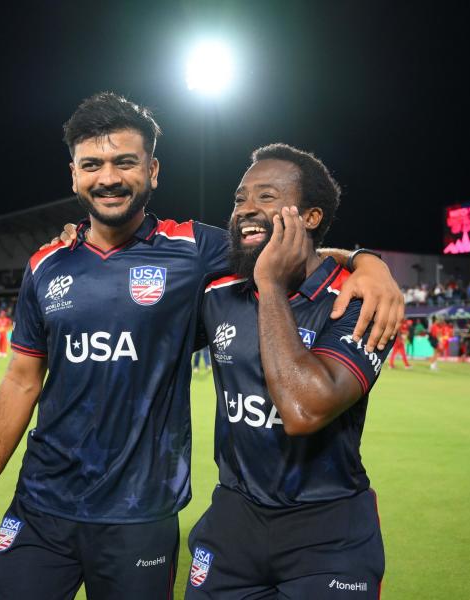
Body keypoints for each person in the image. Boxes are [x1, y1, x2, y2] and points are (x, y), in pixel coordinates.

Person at [0, 93, 404, 600]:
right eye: (92, 165)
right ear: (74, 174)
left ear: (152, 170)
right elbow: (21, 379)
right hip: (40, 502)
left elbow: (281, 249)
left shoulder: (196, 249)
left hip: (141, 512)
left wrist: (368, 262)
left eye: (125, 162)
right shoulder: (46, 263)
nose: (108, 177)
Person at [186, 144, 388, 598]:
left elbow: (304, 409)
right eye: (240, 199)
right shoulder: (218, 293)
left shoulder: (358, 302)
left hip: (328, 529)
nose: (246, 210)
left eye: (267, 197)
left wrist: (273, 284)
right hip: (233, 519)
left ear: (310, 218)